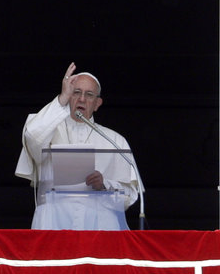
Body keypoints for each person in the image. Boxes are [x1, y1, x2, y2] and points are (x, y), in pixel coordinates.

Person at [15, 62, 140, 230]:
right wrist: (61, 99)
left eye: (89, 95)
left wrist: (104, 185)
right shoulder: (48, 129)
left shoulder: (115, 140)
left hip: (99, 226)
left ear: (97, 103)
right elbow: (32, 137)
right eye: (76, 93)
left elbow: (130, 197)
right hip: (54, 221)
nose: (81, 99)